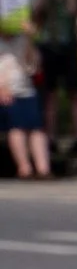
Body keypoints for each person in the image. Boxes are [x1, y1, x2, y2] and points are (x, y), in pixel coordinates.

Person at [33, 0, 77, 161]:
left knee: (75, 93)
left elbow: (73, 10)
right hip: (48, 47)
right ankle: (51, 136)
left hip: (69, 47)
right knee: (50, 94)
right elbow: (36, 13)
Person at [0, 17, 50, 177]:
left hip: (26, 90)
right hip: (7, 93)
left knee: (37, 129)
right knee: (17, 128)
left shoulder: (23, 40)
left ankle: (43, 168)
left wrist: (29, 37)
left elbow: (32, 65)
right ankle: (24, 168)